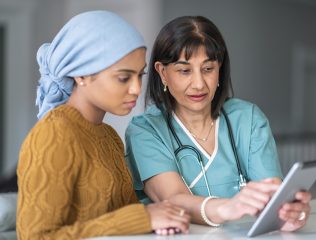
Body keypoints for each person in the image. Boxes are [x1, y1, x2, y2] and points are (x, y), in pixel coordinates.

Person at [125, 16, 311, 233]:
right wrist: (227, 208)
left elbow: (271, 195)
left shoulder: (248, 119)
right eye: (184, 71)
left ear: (219, 69)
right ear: (162, 72)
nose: (199, 84)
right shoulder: (145, 130)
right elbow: (173, 199)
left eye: (208, 69)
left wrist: (287, 213)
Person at [16, 11, 190, 239]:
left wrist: (155, 222)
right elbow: (35, 236)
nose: (137, 88)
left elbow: (124, 221)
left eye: (140, 75)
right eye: (123, 78)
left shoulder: (109, 136)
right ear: (81, 75)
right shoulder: (53, 135)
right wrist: (143, 218)